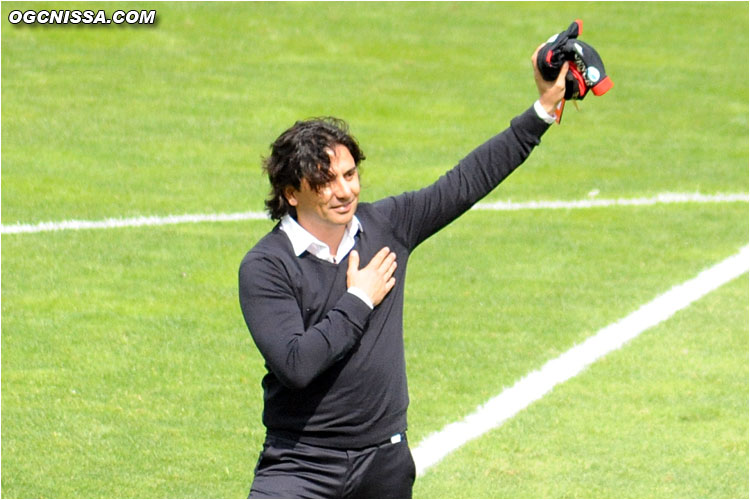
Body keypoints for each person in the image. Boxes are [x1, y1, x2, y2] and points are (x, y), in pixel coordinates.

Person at [238, 46, 569, 499]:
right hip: (301, 464)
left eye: (350, 175)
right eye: (326, 182)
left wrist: (543, 111)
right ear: (292, 193)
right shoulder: (267, 266)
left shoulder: (388, 225)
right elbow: (297, 365)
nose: (344, 191)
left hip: (384, 463)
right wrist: (359, 299)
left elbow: (466, 181)